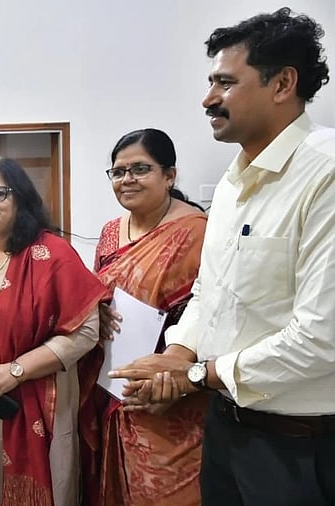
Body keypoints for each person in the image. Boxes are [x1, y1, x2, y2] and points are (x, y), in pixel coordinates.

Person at [109, 8, 335, 505]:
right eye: (211, 82)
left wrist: (194, 375)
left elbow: (322, 338)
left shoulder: (324, 173)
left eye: (225, 83)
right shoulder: (233, 183)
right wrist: (176, 355)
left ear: (283, 84)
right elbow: (209, 292)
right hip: (225, 429)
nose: (208, 98)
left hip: (301, 442)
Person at [0, 155, 108, 506]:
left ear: (20, 198)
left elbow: (86, 331)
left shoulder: (52, 255)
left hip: (36, 403)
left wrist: (16, 371)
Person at [93, 129, 207, 505]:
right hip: (113, 385)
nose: (127, 179)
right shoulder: (110, 233)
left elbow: (213, 313)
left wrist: (180, 380)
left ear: (169, 175)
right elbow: (96, 291)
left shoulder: (197, 232)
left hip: (175, 394)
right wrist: (96, 310)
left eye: (140, 169)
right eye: (118, 171)